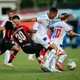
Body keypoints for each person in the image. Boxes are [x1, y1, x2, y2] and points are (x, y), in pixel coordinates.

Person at [21, 7, 61, 72]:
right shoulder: (43, 17)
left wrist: (51, 29)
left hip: (43, 37)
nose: (55, 16)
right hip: (41, 37)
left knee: (51, 49)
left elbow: (59, 17)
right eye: (54, 14)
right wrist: (20, 20)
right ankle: (45, 62)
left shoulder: (51, 18)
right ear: (51, 13)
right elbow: (31, 19)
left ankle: (51, 67)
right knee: (55, 49)